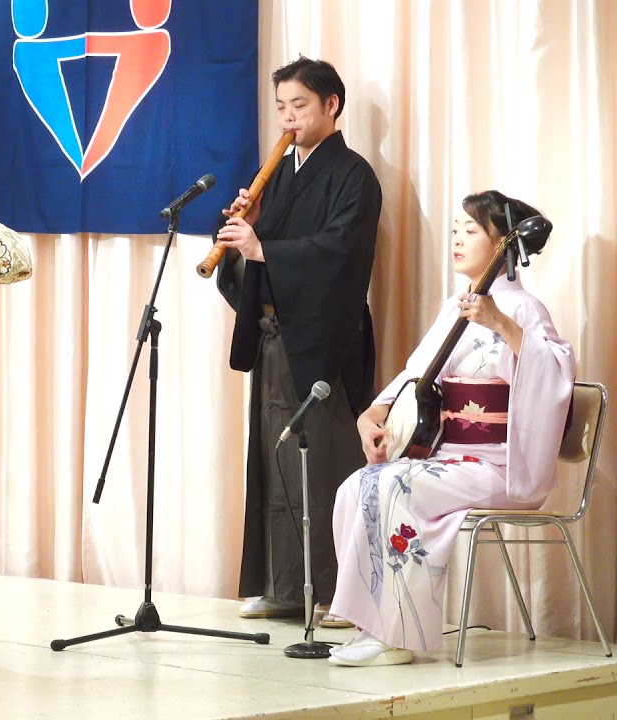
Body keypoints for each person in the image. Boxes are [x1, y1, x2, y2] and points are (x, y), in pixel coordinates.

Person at [327, 192, 574, 666]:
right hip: (449, 457)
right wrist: (373, 412)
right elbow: (416, 373)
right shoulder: (455, 306)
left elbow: (555, 373)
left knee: (396, 486)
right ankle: (370, 622)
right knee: (355, 487)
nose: (457, 239)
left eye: (471, 231)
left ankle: (397, 636)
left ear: (502, 241)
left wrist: (502, 324)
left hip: (500, 464)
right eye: (455, 229)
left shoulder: (523, 308)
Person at [215, 57, 382, 623]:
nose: (288, 117)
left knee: (326, 465)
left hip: (324, 342)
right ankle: (284, 586)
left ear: (331, 105)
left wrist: (266, 249)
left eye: (300, 105)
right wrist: (250, 231)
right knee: (274, 463)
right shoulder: (280, 175)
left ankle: (340, 593)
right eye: (281, 107)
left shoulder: (353, 175)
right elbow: (255, 263)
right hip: (272, 335)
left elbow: (341, 253)